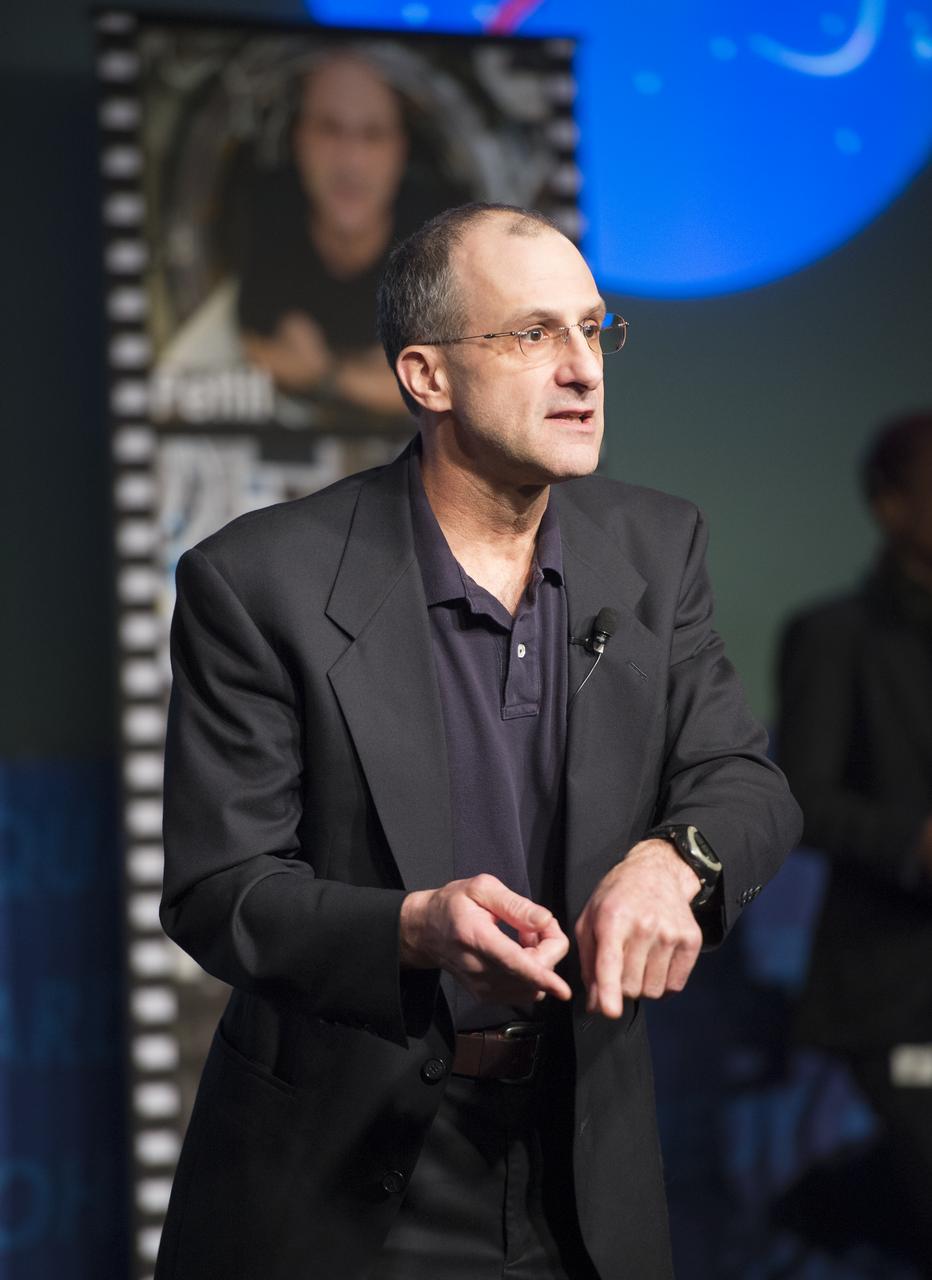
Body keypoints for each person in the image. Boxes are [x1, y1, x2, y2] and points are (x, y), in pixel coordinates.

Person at [155, 203, 801, 1280]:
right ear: (426, 376)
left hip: (577, 1157)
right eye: (532, 333)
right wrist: (412, 926)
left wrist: (672, 860)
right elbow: (220, 888)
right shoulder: (259, 580)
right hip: (343, 1179)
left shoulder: (655, 544)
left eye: (593, 330)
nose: (581, 368)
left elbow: (741, 775)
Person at [778, 414, 932, 1270]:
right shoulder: (834, 634)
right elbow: (796, 797)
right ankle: (836, 1201)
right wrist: (913, 842)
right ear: (889, 504)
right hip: (894, 990)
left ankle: (847, 1200)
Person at [237, 52, 421, 418]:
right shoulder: (256, 215)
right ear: (299, 140)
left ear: (400, 151)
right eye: (329, 129)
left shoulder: (443, 240)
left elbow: (460, 385)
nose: (351, 161)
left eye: (372, 135)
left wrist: (327, 375)